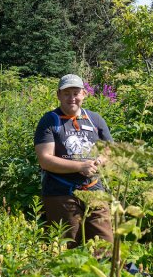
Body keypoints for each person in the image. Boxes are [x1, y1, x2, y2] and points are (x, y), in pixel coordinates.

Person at [35, 74, 113, 249]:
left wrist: (99, 161)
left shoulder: (95, 119)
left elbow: (110, 150)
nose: (72, 98)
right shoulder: (49, 120)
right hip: (61, 193)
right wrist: (80, 166)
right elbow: (45, 160)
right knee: (68, 247)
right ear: (58, 95)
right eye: (66, 93)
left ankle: (106, 275)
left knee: (105, 245)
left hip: (94, 190)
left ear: (84, 94)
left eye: (76, 93)